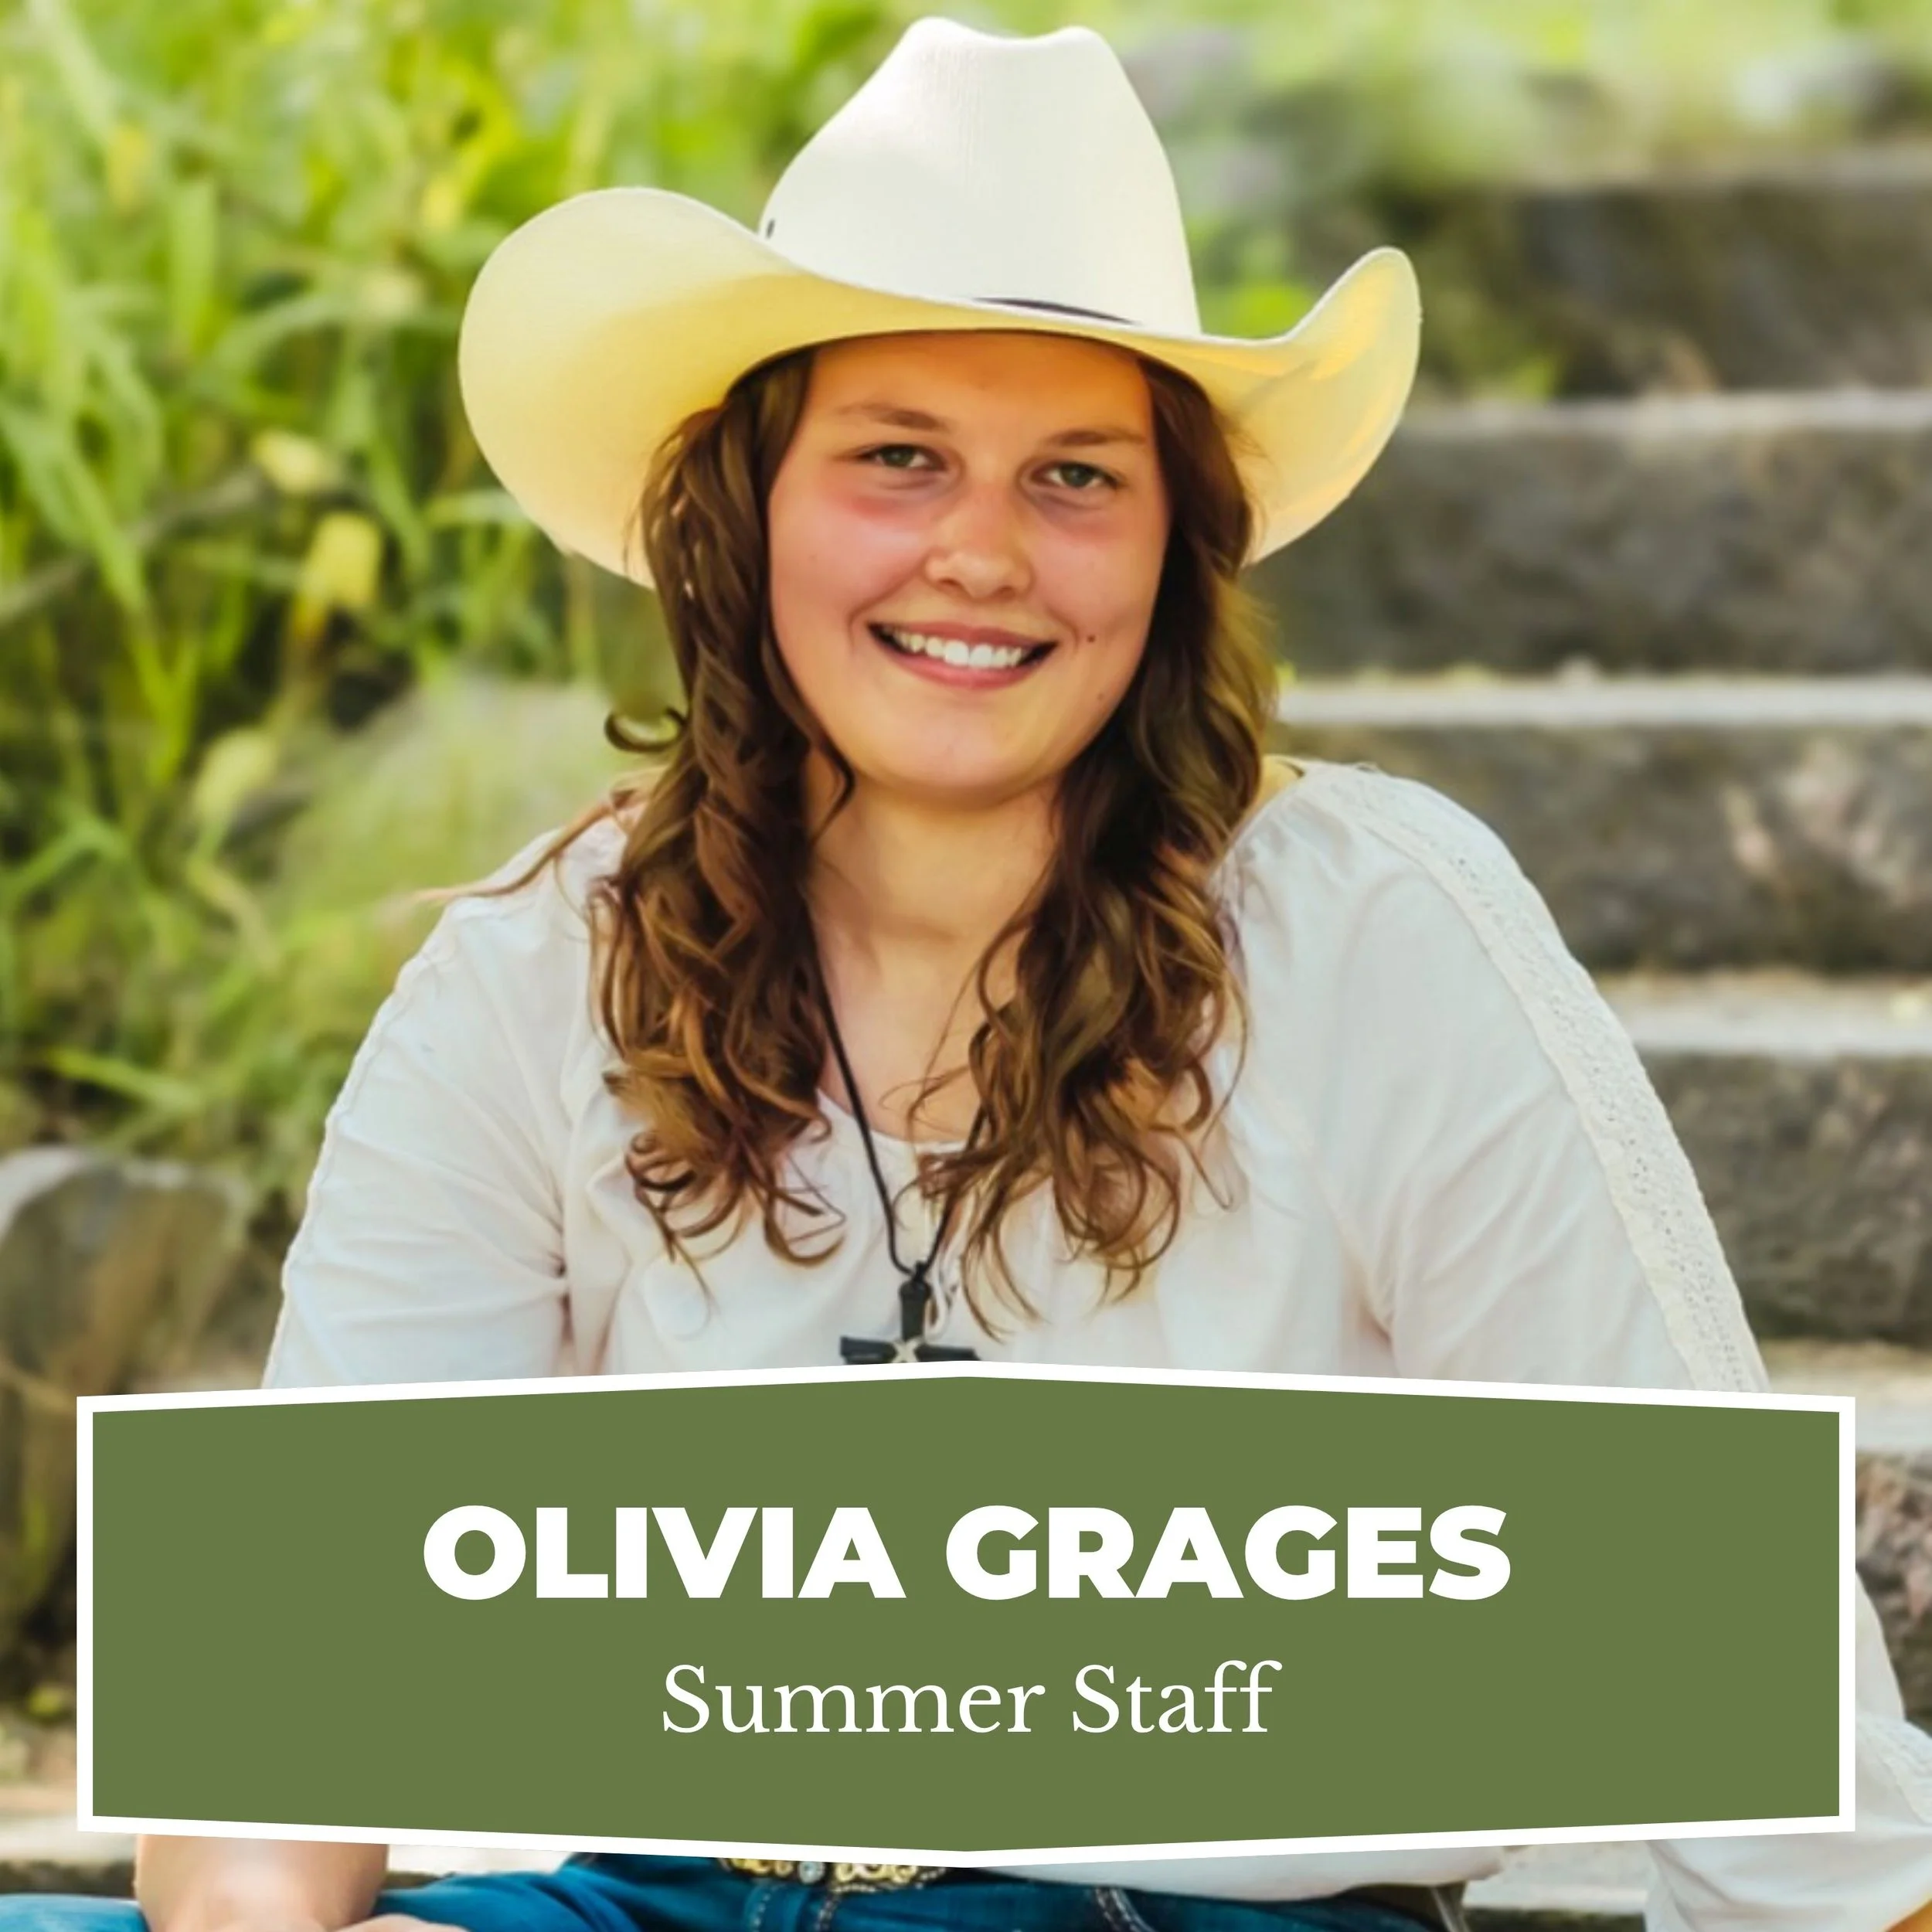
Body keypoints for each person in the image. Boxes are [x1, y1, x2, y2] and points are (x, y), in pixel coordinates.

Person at [10, 15, 1932, 1932]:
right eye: (897, 456)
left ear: (1175, 544)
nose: (981, 553)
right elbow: (292, 1698)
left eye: (1075, 475)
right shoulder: (529, 971)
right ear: (739, 509)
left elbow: (1701, 1625)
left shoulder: (1378, 924)